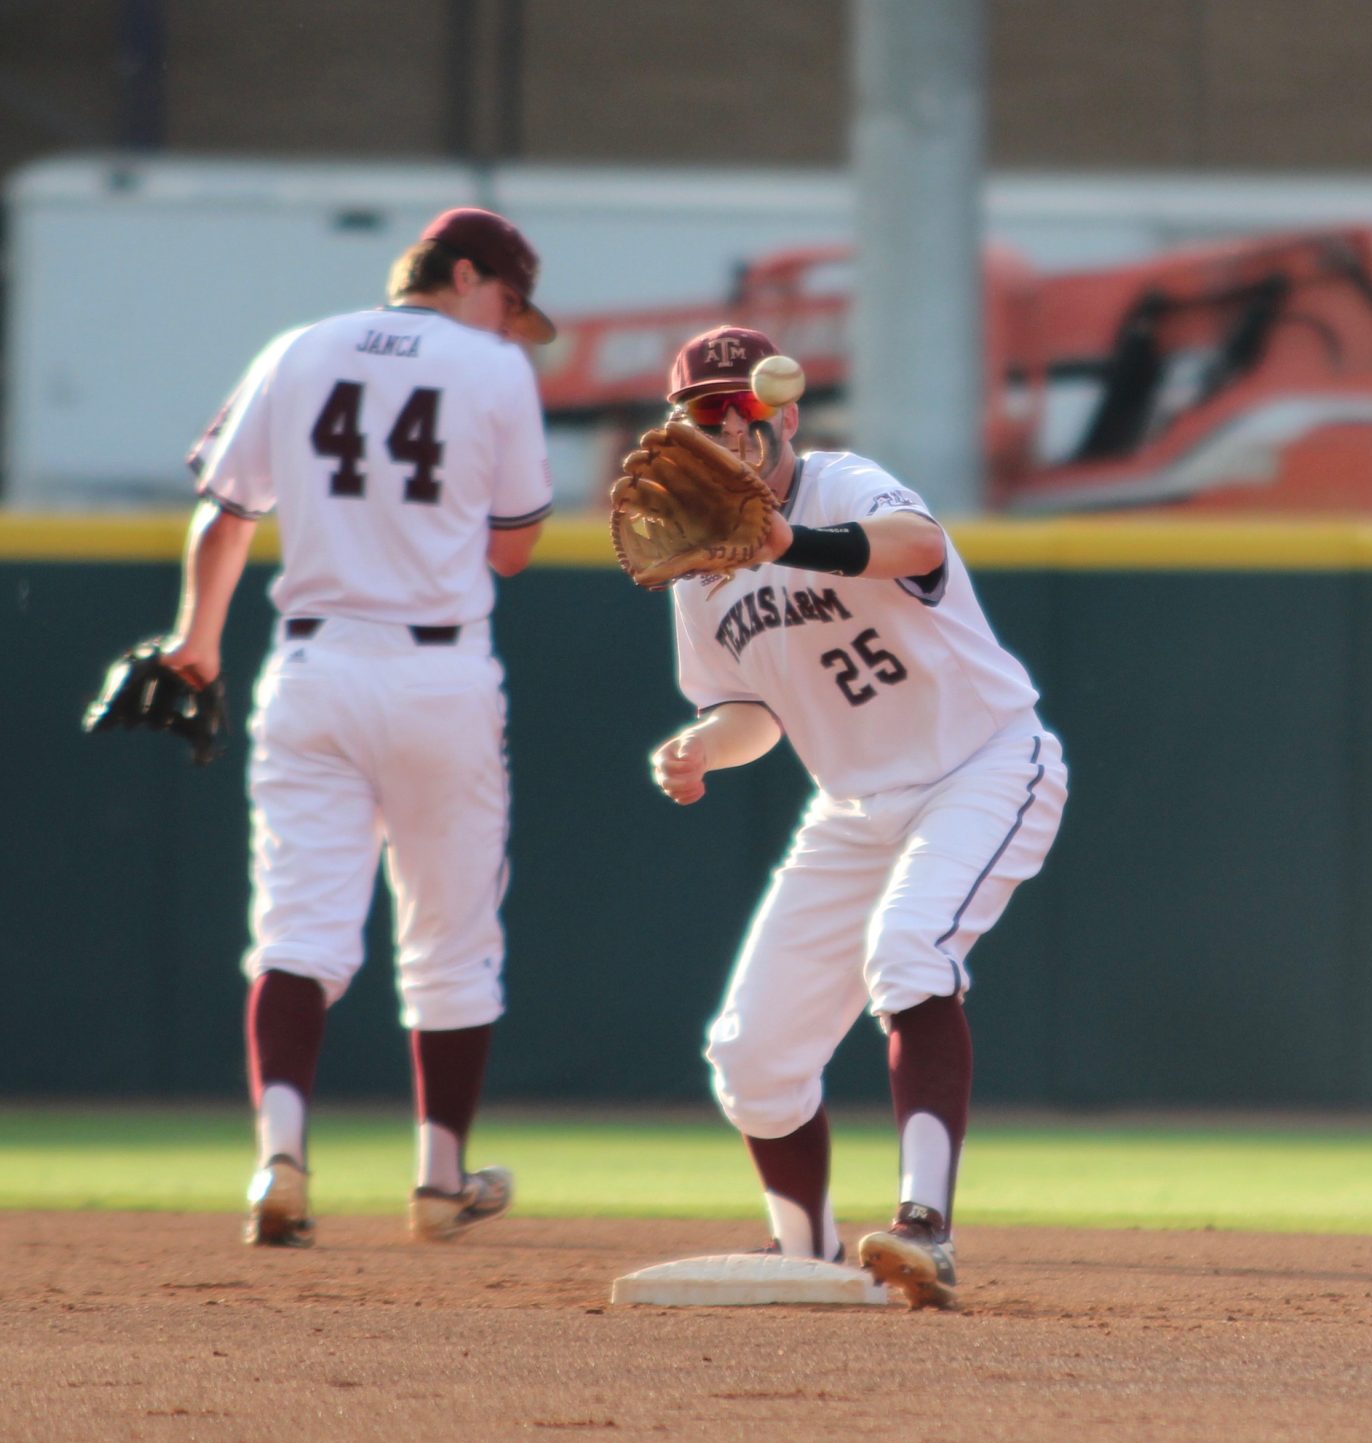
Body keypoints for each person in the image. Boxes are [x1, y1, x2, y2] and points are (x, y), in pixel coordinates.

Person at [644, 324, 1065, 1309]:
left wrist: (790, 540)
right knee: (749, 1053)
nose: (722, 427)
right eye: (699, 413)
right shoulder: (699, 559)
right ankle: (806, 1248)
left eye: (738, 407)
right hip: (852, 804)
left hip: (982, 762)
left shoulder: (841, 485)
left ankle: (927, 1226)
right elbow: (750, 710)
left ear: (783, 413)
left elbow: (919, 545)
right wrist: (705, 743)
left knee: (910, 949)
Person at [165, 207, 556, 1248]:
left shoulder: (298, 349)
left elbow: (224, 512)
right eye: (509, 301)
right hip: (437, 673)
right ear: (465, 273)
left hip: (313, 663)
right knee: (451, 937)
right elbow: (512, 552)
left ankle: (278, 1160)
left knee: (297, 927)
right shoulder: (493, 372)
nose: (512, 325)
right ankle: (437, 1181)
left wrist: (195, 641)